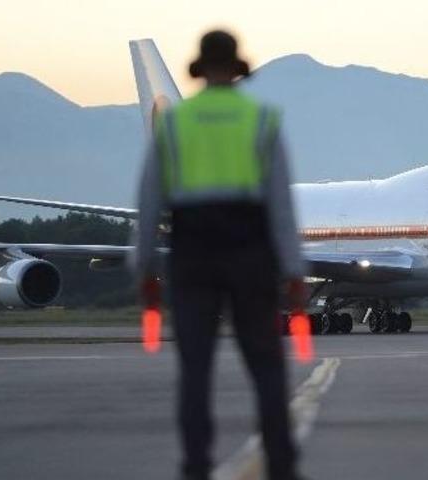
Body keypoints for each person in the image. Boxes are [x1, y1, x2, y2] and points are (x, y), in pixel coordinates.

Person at [130, 29, 308, 480]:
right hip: (250, 253)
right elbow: (282, 208)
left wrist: (145, 265)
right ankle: (282, 466)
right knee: (267, 368)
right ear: (238, 69)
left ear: (199, 70)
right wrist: (293, 271)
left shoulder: (173, 123)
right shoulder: (262, 120)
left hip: (192, 255)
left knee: (195, 372)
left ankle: (194, 466)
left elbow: (149, 201)